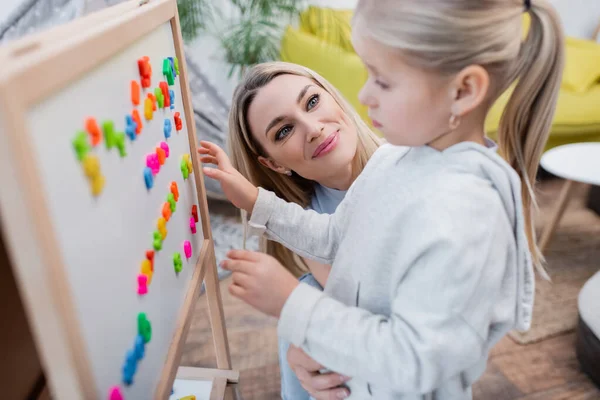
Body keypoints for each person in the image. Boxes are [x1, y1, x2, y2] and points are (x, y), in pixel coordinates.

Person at [201, 0, 564, 398]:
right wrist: (256, 201)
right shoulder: (395, 160)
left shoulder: (467, 215)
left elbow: (413, 362)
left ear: (462, 91)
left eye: (383, 81)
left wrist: (293, 303)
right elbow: (335, 236)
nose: (363, 95)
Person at [204, 61, 380, 399]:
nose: (312, 128)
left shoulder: (409, 167)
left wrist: (291, 304)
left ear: (333, 96)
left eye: (312, 102)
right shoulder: (304, 220)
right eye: (283, 131)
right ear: (274, 164)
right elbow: (351, 302)